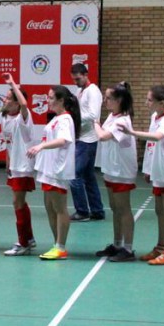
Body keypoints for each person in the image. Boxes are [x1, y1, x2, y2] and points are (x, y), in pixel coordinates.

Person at [130, 85, 164, 265]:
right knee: (160, 212)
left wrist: (132, 133)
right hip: (158, 172)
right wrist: (148, 169)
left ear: (162, 103)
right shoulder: (155, 117)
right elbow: (151, 146)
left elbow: (157, 137)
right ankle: (160, 248)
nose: (147, 103)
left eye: (150, 100)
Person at [27, 85, 80, 260]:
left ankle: (61, 247)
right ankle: (56, 244)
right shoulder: (56, 118)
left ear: (61, 100)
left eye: (51, 97)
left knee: (59, 208)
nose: (47, 101)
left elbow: (63, 140)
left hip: (58, 170)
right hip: (48, 169)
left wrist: (41, 146)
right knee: (50, 208)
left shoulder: (65, 119)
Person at [93, 81, 138, 261]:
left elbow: (103, 136)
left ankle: (128, 249)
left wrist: (95, 123)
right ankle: (117, 244)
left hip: (122, 172)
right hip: (111, 169)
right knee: (115, 208)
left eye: (108, 98)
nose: (105, 101)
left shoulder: (122, 120)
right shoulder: (113, 116)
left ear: (119, 100)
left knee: (123, 209)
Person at [0, 73, 37, 256]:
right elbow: (9, 143)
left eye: (8, 98)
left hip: (23, 165)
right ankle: (28, 238)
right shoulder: (5, 117)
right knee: (19, 202)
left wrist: (12, 83)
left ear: (16, 103)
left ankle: (23, 242)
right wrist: (8, 162)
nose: (4, 100)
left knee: (17, 202)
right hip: (14, 165)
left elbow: (24, 104)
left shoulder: (23, 117)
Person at [69, 63, 106, 222]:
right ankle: (97, 210)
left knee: (74, 175)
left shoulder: (93, 91)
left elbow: (93, 115)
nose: (76, 82)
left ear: (85, 75)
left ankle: (82, 211)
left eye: (78, 79)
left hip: (88, 139)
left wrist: (73, 118)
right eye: (74, 79)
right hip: (82, 137)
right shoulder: (80, 91)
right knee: (88, 176)